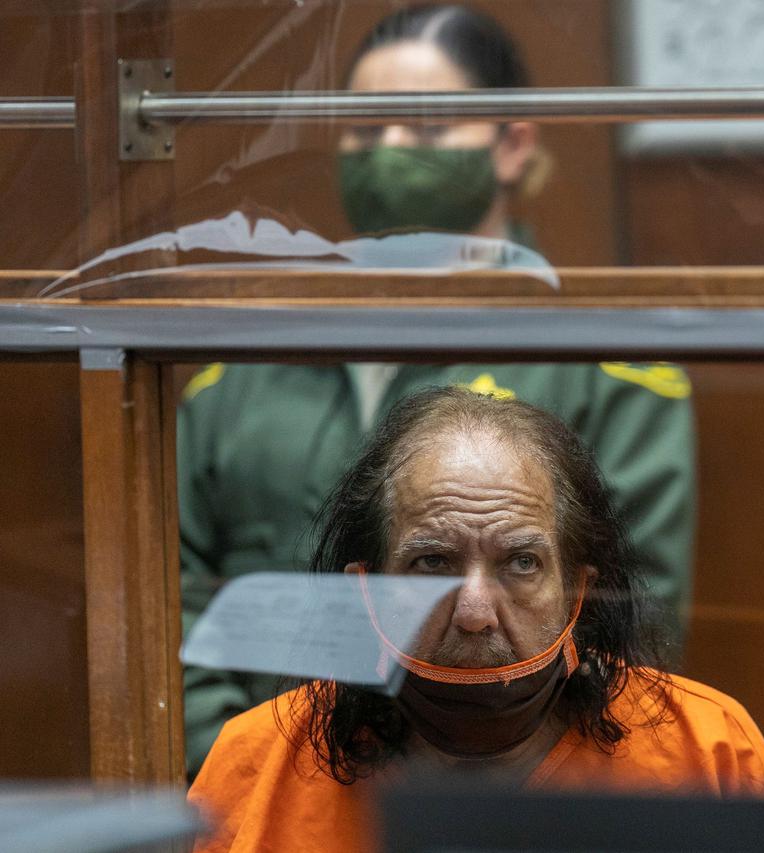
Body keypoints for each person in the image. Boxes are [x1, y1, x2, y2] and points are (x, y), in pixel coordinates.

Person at [179, 3, 696, 779]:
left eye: (424, 126)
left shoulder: (602, 367)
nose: (388, 149)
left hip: (514, 798)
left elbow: (623, 629)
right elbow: (171, 608)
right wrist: (265, 778)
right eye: (363, 129)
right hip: (270, 796)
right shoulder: (239, 374)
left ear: (511, 145)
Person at [187, 388, 764, 853]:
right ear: (366, 592)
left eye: (521, 563)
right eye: (432, 563)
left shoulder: (708, 751)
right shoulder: (257, 762)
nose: (474, 614)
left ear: (578, 590)